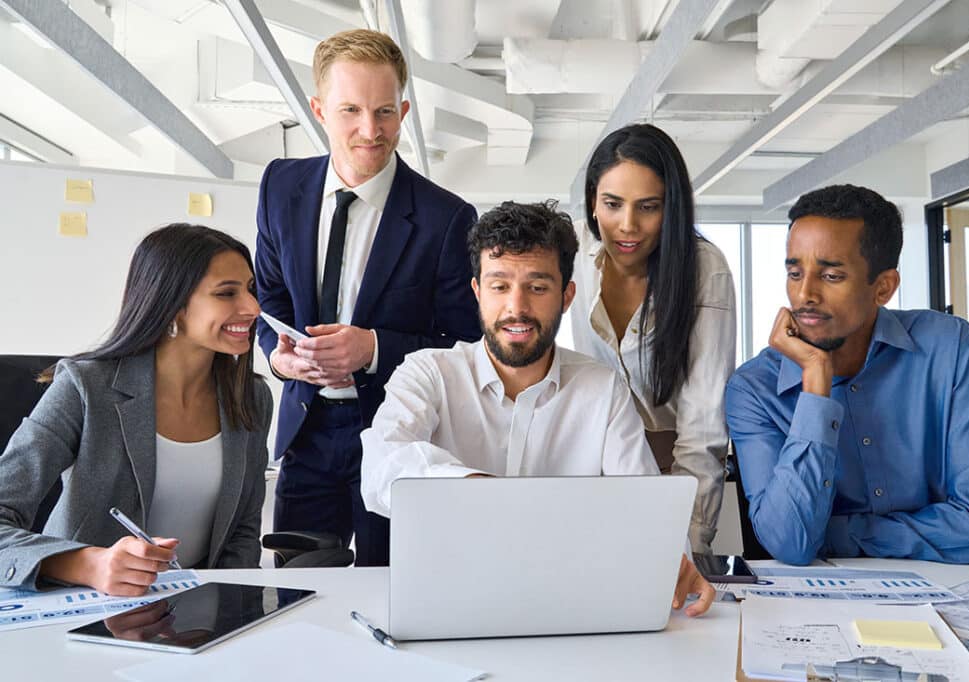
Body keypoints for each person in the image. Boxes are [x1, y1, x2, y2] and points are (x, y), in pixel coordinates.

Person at [362, 200, 715, 616]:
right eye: (499, 286)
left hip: (569, 605)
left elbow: (643, 502)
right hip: (449, 601)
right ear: (477, 292)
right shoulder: (428, 372)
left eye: (538, 286)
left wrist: (672, 559)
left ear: (567, 295)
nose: (517, 307)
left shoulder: (601, 389)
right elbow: (382, 465)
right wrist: (477, 489)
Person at [254, 29, 480, 566]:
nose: (370, 130)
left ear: (403, 110)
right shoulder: (279, 187)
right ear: (318, 109)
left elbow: (466, 342)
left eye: (384, 112)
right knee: (298, 594)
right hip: (306, 434)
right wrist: (279, 358)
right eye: (350, 110)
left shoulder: (447, 218)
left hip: (400, 436)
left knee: (393, 591)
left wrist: (374, 349)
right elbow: (269, 297)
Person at [726, 184, 969, 565]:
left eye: (831, 276)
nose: (805, 295)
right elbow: (790, 543)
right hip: (818, 611)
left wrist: (838, 533)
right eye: (795, 273)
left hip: (951, 597)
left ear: (883, 288)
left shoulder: (951, 350)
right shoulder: (754, 388)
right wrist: (816, 388)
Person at [0, 224, 271, 595]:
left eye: (251, 289)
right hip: (86, 604)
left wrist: (225, 606)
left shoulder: (250, 396)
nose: (253, 308)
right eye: (227, 293)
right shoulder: (85, 387)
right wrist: (89, 563)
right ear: (172, 306)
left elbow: (242, 530)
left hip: (196, 614)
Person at [570, 124, 736, 554]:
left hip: (673, 478)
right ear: (592, 201)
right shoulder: (571, 258)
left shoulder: (704, 268)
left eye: (648, 207)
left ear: (672, 208)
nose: (627, 226)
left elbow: (704, 425)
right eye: (612, 204)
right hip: (589, 479)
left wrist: (689, 541)